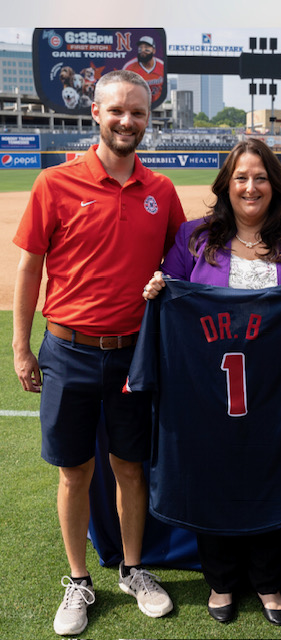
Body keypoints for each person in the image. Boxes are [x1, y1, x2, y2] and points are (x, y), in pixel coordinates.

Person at [12, 70, 186, 636]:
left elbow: (184, 264)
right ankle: (79, 580)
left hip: (135, 354)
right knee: (74, 471)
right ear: (95, 112)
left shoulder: (161, 192)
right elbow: (29, 266)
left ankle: (134, 569)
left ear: (148, 119)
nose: (127, 121)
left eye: (138, 113)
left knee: (131, 467)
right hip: (67, 350)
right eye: (117, 111)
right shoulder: (54, 183)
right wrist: (20, 346)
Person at [143, 137, 281, 626]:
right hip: (209, 393)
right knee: (214, 475)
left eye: (260, 177)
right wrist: (158, 290)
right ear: (226, 185)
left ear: (274, 184)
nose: (251, 187)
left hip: (280, 394)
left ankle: (269, 582)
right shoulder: (194, 238)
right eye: (241, 178)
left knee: (275, 473)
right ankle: (221, 581)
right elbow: (173, 297)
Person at [123, 35, 165, 102]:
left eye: (146, 47)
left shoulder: (162, 66)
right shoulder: (129, 67)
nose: (143, 50)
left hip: (156, 105)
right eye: (140, 47)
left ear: (153, 50)